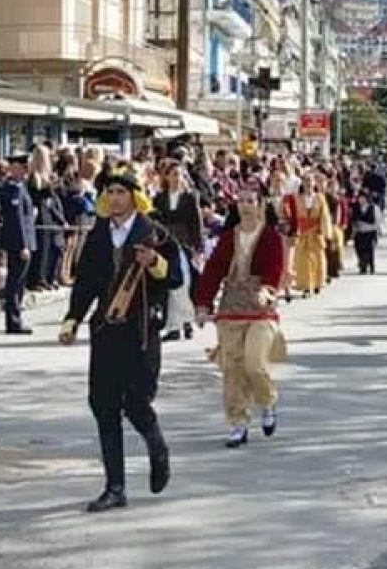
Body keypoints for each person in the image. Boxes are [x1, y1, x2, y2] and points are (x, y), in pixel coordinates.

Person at [58, 165, 180, 513]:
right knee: (103, 405)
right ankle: (115, 487)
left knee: (137, 404)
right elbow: (85, 283)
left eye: (121, 192)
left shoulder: (154, 233)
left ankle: (157, 447)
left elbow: (177, 277)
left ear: (135, 197)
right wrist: (73, 318)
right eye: (109, 192)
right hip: (106, 331)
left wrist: (155, 263)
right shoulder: (98, 234)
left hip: (140, 332)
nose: (114, 199)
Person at [194, 182, 286, 448]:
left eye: (250, 201)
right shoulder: (228, 237)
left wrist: (267, 291)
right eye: (241, 201)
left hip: (260, 310)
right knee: (232, 368)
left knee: (254, 364)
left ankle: (267, 402)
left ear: (260, 204)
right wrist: (203, 304)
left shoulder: (270, 237)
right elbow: (213, 271)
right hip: (231, 309)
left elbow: (274, 269)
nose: (245, 206)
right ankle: (238, 422)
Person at [154, 159, 203, 342]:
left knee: (185, 283)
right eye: (173, 174)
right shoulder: (159, 198)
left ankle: (187, 322)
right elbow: (156, 221)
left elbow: (196, 222)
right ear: (167, 177)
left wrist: (197, 247)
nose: (177, 178)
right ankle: (173, 326)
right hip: (167, 245)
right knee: (170, 286)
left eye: (180, 175)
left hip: (185, 244)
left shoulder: (189, 198)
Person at [0, 154, 36, 335]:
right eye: (21, 167)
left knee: (19, 282)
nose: (25, 171)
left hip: (24, 239)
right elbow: (17, 219)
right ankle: (13, 320)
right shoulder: (12, 188)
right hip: (18, 242)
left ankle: (16, 317)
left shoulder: (21, 187)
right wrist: (23, 244)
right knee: (15, 282)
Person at [281, 173, 330, 298]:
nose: (308, 183)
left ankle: (317, 283)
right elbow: (291, 215)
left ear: (314, 183)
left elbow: (324, 215)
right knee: (303, 262)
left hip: (315, 233)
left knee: (318, 259)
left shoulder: (320, 198)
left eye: (310, 181)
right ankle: (306, 287)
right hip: (302, 233)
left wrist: (324, 231)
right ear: (302, 183)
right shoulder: (297, 198)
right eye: (306, 181)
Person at [349, 184, 381, 275]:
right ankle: (362, 266)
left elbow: (377, 222)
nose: (361, 200)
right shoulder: (355, 207)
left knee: (369, 250)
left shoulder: (374, 208)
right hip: (359, 233)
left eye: (363, 198)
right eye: (360, 198)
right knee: (359, 250)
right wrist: (353, 231)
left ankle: (371, 266)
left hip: (370, 233)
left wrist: (368, 226)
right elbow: (353, 220)